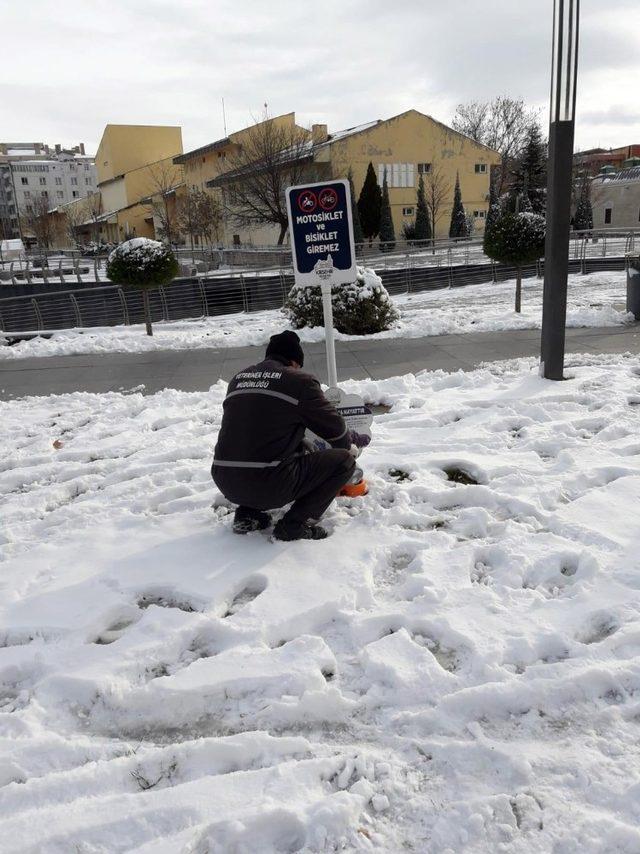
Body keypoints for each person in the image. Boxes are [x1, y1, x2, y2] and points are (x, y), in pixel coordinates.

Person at [212, 330, 368, 541]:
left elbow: (257, 429)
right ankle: (295, 524)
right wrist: (351, 443)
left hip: (226, 480)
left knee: (261, 446)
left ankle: (248, 514)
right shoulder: (299, 382)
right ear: (294, 362)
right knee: (344, 462)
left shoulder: (238, 380)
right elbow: (337, 433)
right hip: (268, 485)